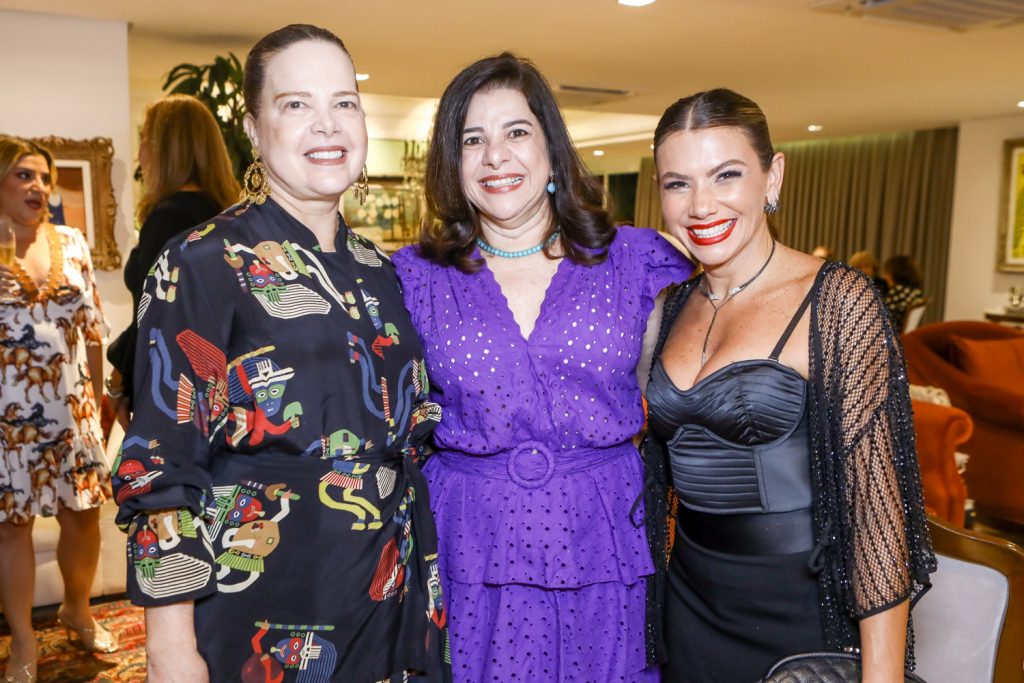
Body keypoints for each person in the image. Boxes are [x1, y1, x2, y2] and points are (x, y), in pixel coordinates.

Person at [112, 25, 448, 683]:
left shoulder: (381, 269)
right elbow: (160, 466)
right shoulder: (203, 262)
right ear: (255, 127)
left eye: (344, 102)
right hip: (266, 603)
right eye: (296, 104)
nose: (327, 124)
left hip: (389, 594)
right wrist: (170, 652)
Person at [391, 53, 693, 682]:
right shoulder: (414, 276)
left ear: (552, 148)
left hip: (603, 532)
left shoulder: (637, 261)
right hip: (469, 537)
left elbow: (677, 389)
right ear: (454, 163)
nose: (495, 156)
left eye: (516, 132)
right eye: (473, 140)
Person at [642, 89, 935, 682]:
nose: (701, 205)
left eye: (726, 175)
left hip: (801, 616)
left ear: (772, 177)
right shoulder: (668, 307)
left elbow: (878, 519)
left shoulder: (839, 301)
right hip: (690, 608)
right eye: (678, 184)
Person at [0, 136, 116, 683]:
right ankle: (23, 638)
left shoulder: (72, 241)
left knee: (84, 516)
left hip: (71, 409)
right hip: (6, 420)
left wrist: (96, 401)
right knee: (10, 527)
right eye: (25, 176)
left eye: (43, 177)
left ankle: (77, 609)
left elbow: (93, 327)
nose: (39, 187)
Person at [105, 94, 240, 427]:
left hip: (173, 393)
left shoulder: (169, 218)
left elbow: (152, 316)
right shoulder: (229, 217)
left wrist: (118, 382)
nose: (140, 154)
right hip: (222, 388)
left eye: (145, 140)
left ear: (166, 149)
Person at [882, 254, 925, 332]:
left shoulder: (896, 293)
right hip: (907, 336)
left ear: (895, 273)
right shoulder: (916, 291)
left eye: (886, 272)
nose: (884, 276)